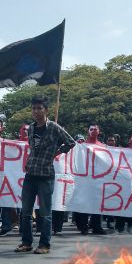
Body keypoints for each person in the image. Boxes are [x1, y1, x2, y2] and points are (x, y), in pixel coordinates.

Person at [16, 95, 76, 254]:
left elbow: (71, 142)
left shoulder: (54, 127)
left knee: (45, 212)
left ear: (46, 110)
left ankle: (44, 245)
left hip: (46, 175)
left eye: (39, 108)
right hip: (31, 174)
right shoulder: (31, 128)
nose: (36, 111)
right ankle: (26, 242)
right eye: (34, 108)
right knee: (26, 212)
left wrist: (57, 152)